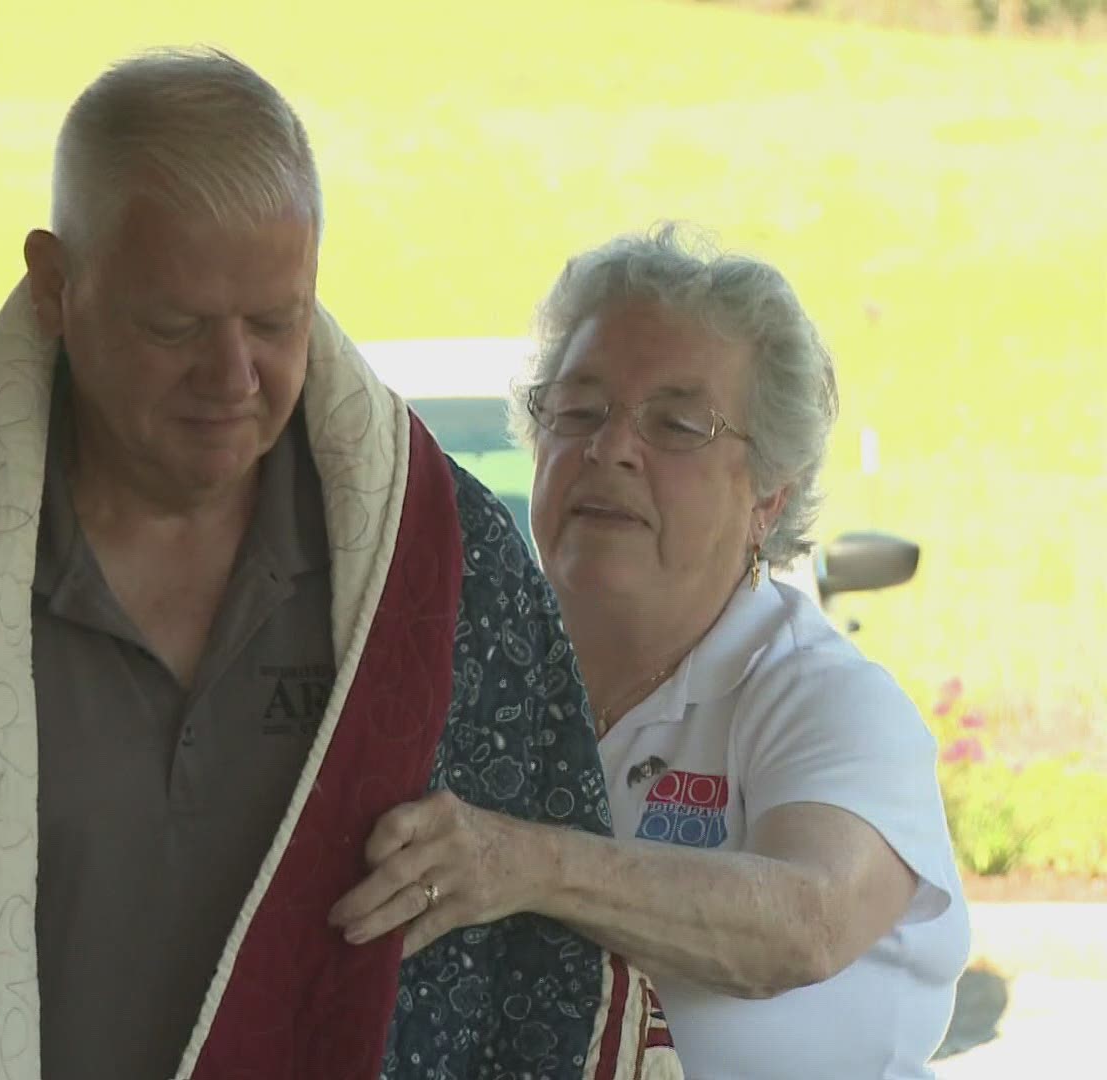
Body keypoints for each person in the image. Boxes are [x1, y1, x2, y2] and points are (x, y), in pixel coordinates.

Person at [0, 50, 678, 1080]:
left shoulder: (440, 565)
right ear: (56, 283)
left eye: (274, 321)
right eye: (175, 326)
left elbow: (550, 955)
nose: (233, 375)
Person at [331, 226, 971, 1078]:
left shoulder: (824, 698)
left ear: (767, 499)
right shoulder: (452, 674)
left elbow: (807, 924)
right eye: (580, 410)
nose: (610, 449)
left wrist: (524, 865)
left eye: (677, 425)